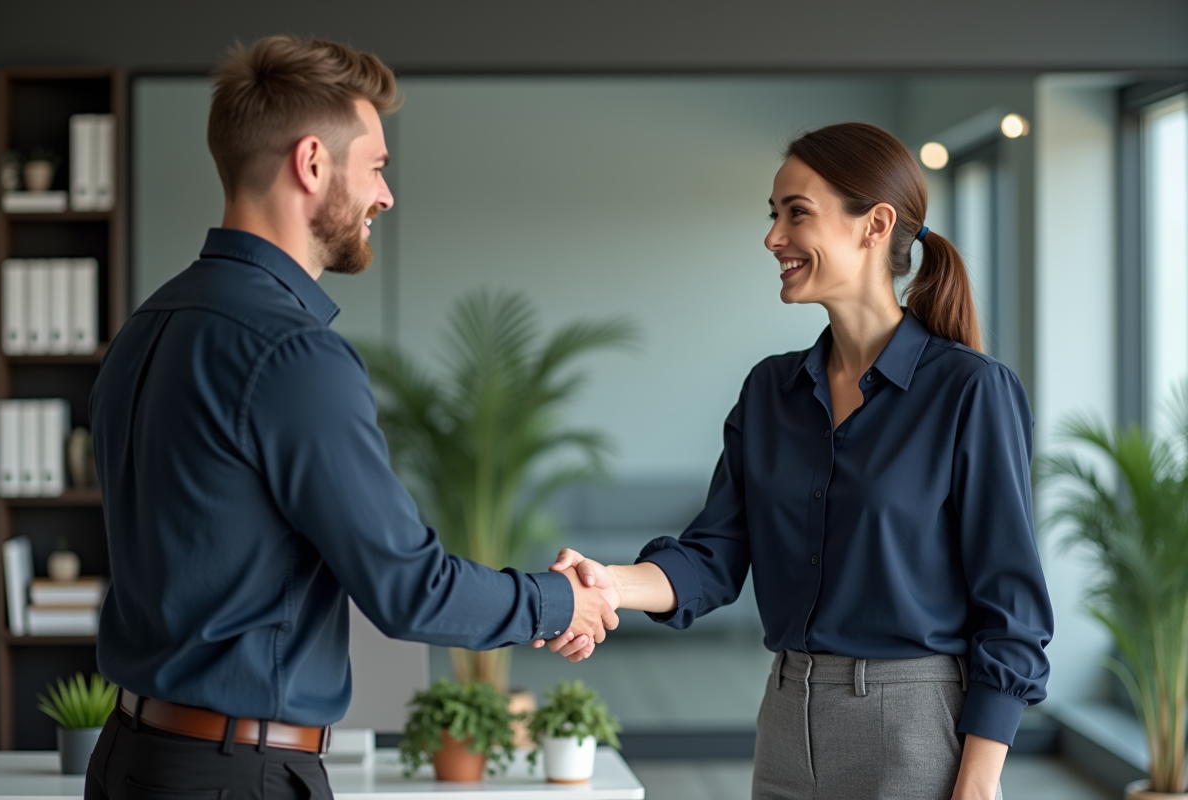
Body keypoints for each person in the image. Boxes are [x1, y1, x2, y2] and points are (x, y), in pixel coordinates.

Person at [85, 35, 617, 800]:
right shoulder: (292, 354)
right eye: (376, 167)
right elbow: (409, 588)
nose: (386, 196)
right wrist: (564, 600)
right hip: (239, 777)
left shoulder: (146, 328)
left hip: (129, 762)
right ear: (311, 164)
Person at [535, 122, 1054, 800]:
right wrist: (606, 584)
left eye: (796, 213)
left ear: (874, 225)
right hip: (785, 718)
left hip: (913, 730)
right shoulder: (770, 391)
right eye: (774, 214)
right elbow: (715, 555)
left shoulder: (970, 390)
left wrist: (979, 783)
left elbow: (1012, 608)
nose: (773, 237)